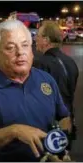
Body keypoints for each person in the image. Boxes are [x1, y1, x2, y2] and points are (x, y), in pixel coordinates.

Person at [0, 20, 72, 162]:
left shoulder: (46, 80)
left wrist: (60, 148)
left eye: (25, 45)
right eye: (10, 47)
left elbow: (63, 116)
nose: (20, 52)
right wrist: (14, 131)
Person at [33, 20, 79, 148]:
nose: (35, 39)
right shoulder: (71, 62)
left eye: (38, 35)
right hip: (68, 124)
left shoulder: (40, 64)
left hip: (48, 129)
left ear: (46, 40)